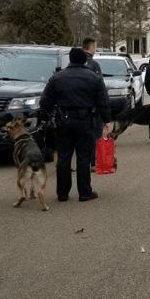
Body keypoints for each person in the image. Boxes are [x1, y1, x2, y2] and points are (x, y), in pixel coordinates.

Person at [40, 48, 111, 202]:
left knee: (64, 157)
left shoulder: (57, 77)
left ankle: (63, 193)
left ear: (70, 59)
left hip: (63, 121)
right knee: (83, 157)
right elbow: (103, 102)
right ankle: (85, 192)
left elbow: (45, 101)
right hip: (85, 121)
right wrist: (106, 119)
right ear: (84, 60)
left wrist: (45, 118)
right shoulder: (94, 78)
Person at [82, 36, 103, 173]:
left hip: (77, 108)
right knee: (94, 136)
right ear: (91, 47)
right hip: (93, 108)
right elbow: (100, 88)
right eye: (94, 47)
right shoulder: (94, 65)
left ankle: (82, 162)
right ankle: (93, 162)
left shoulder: (73, 64)